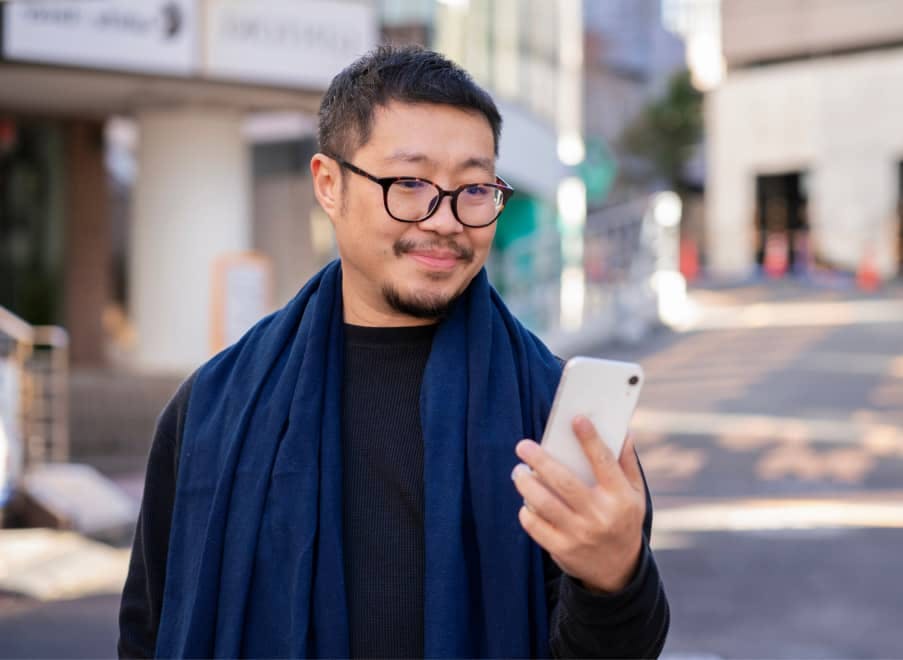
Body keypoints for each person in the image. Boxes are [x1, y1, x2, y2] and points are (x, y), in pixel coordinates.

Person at [118, 45, 669, 659]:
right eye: (409, 183)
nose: (445, 220)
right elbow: (148, 632)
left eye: (475, 188)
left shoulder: (553, 408)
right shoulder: (215, 405)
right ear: (330, 185)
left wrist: (615, 578)